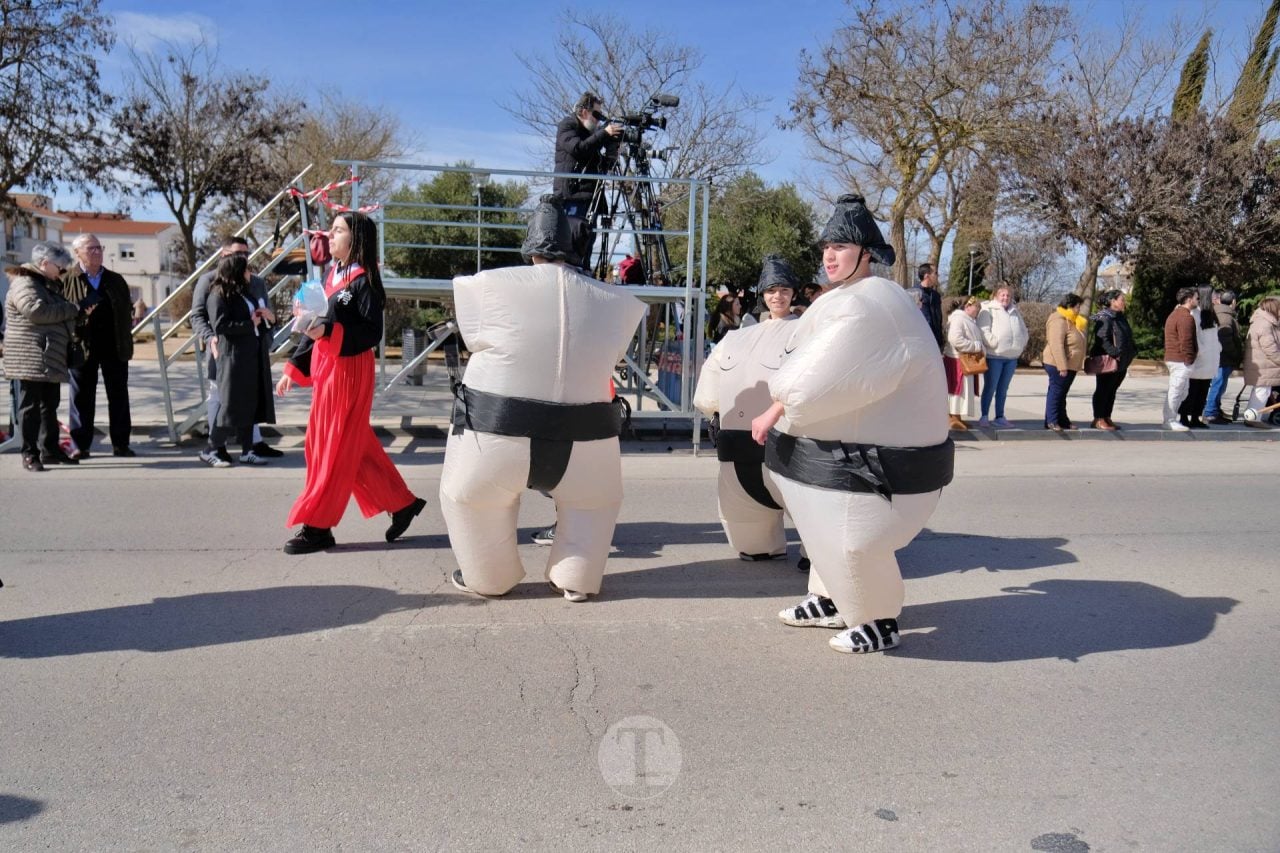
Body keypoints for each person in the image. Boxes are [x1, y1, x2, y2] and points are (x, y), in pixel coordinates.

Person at [750, 194, 953, 654]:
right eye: (826, 246)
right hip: (842, 459)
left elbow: (811, 379)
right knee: (820, 525)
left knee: (851, 539)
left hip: (882, 472)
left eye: (841, 246)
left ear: (867, 254)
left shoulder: (872, 304)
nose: (829, 255)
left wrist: (777, 406)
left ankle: (879, 620)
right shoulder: (842, 299)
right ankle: (828, 599)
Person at [441, 195, 645, 601]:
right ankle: (576, 578)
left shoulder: (486, 286)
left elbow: (470, 334)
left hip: (496, 435)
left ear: (529, 246)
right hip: (587, 443)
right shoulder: (616, 302)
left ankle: (489, 577)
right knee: (594, 505)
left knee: (471, 503)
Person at [275, 212, 427, 554]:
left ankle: (317, 526)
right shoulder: (332, 276)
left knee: (331, 447)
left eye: (338, 231)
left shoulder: (365, 280)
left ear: (356, 239)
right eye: (331, 230)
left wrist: (329, 331)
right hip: (328, 370)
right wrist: (292, 367)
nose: (330, 236)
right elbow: (314, 326)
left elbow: (370, 333)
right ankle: (402, 504)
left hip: (349, 371)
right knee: (349, 446)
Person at [693, 254, 800, 562]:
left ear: (792, 293)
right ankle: (757, 543)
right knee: (745, 518)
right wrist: (712, 408)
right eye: (771, 290)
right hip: (737, 443)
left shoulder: (808, 330)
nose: (777, 296)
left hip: (788, 436)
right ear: (762, 294)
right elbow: (712, 377)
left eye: (783, 290)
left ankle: (815, 549)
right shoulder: (738, 337)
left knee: (807, 502)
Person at [191, 236, 284, 460]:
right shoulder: (211, 282)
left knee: (249, 397)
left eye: (246, 253)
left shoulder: (255, 282)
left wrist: (266, 337)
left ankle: (252, 444)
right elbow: (199, 315)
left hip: (251, 351)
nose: (243, 258)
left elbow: (263, 313)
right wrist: (210, 337)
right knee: (220, 398)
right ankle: (216, 447)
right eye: (237, 254)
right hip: (223, 351)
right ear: (224, 255)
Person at [3, 243, 86, 471]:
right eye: (60, 267)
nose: (63, 271)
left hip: (47, 355)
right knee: (29, 407)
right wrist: (72, 309)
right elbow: (36, 311)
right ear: (44, 263)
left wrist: (75, 312)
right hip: (30, 355)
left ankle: (50, 450)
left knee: (49, 405)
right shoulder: (25, 282)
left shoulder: (46, 284)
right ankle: (29, 454)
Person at [61, 233, 135, 458]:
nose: (97, 252)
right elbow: (61, 312)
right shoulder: (66, 279)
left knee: (119, 395)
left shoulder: (115, 279)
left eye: (99, 248)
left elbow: (126, 310)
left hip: (114, 345)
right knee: (81, 396)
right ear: (77, 253)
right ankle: (81, 445)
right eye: (90, 248)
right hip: (81, 345)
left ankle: (121, 443)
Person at [553, 91, 622, 273]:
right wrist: (604, 134)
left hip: (589, 196)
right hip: (571, 194)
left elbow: (603, 166)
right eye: (596, 114)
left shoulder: (591, 135)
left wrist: (613, 149)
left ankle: (584, 270)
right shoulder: (567, 125)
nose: (598, 120)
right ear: (584, 111)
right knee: (572, 237)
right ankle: (568, 271)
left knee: (588, 238)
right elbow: (578, 149)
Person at [977, 283, 1028, 428]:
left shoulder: (1015, 311)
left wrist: (1021, 343)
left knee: (1003, 389)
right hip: (995, 356)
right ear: (996, 296)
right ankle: (984, 416)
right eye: (1002, 295)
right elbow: (984, 330)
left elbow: (1024, 330)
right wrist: (994, 343)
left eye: (1008, 295)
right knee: (990, 386)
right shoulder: (988, 309)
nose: (1005, 298)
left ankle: (999, 416)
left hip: (1011, 357)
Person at [1088, 289, 1138, 431]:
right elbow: (1102, 339)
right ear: (1113, 302)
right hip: (1108, 361)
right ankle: (1098, 418)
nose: (1124, 302)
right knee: (1103, 390)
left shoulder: (1120, 317)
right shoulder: (1105, 317)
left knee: (1112, 390)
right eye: (1122, 300)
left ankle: (1107, 416)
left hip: (1121, 361)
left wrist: (1132, 351)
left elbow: (1126, 336)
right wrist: (1114, 353)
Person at [1042, 293, 1087, 432]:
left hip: (1070, 364)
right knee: (1056, 392)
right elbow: (1056, 344)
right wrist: (1062, 366)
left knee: (1061, 393)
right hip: (1057, 364)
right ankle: (1052, 421)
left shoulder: (1072, 320)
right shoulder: (1058, 319)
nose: (1079, 310)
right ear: (1069, 306)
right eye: (1077, 307)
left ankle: (1062, 420)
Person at [1179, 285, 1221, 429]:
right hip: (1199, 359)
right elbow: (1193, 336)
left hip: (1210, 359)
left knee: (1203, 390)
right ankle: (1184, 416)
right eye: (1214, 295)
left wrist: (1217, 349)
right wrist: (1200, 351)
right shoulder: (1193, 314)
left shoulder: (1210, 314)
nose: (1217, 298)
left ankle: (1196, 417)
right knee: (1191, 390)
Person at [1162, 287, 1200, 432]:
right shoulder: (1185, 317)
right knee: (1177, 390)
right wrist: (1189, 359)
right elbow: (1186, 341)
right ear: (1189, 299)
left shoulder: (1176, 314)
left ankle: (1171, 418)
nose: (1198, 301)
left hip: (1176, 358)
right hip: (1180, 359)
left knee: (1181, 391)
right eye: (1196, 298)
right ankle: (1169, 420)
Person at [943, 295, 984, 430]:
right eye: (976, 307)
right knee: (957, 390)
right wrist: (975, 347)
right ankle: (952, 417)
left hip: (964, 359)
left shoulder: (967, 320)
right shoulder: (959, 319)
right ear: (967, 306)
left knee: (963, 391)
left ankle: (958, 416)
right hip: (957, 360)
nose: (978, 310)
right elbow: (955, 339)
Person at [1242, 295, 1280, 428]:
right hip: (1264, 365)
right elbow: (1270, 349)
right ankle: (1254, 418)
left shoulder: (1264, 321)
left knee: (1261, 391)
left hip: (1264, 365)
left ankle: (1252, 416)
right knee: (1261, 391)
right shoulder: (1264, 324)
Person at [1205, 290, 1242, 424]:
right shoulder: (1226, 317)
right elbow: (1225, 339)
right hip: (1223, 358)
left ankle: (1215, 410)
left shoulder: (1221, 314)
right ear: (1233, 302)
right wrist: (1234, 353)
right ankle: (1210, 412)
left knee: (1219, 385)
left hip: (1221, 357)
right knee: (1218, 384)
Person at [905, 262, 945, 350]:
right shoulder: (913, 293)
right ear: (927, 276)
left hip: (935, 343)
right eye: (935, 273)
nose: (938, 275)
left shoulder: (936, 296)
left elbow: (939, 319)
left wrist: (941, 341)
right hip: (920, 343)